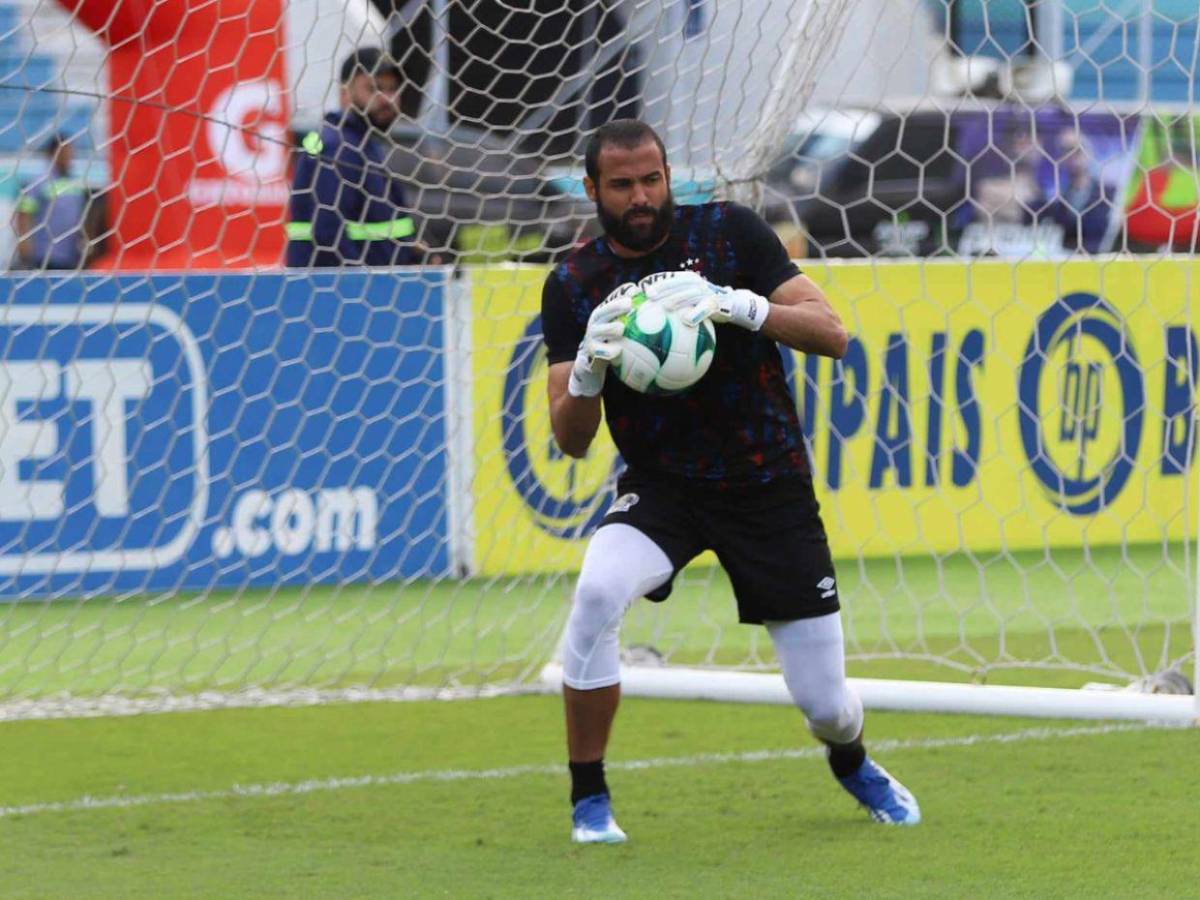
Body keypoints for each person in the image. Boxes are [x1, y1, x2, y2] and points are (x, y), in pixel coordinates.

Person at [541, 119, 921, 844]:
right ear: (592, 189)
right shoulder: (573, 284)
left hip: (766, 482)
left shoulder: (730, 234)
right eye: (622, 185)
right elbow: (571, 438)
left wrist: (741, 306)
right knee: (594, 593)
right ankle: (589, 800)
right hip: (664, 488)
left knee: (826, 705)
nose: (642, 196)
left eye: (652, 179)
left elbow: (832, 334)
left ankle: (852, 760)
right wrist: (587, 372)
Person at [286, 47, 420, 267]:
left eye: (393, 89)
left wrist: (409, 252)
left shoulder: (363, 143)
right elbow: (328, 232)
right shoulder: (338, 146)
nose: (387, 99)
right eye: (374, 88)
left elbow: (373, 224)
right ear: (345, 93)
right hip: (341, 294)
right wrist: (366, 284)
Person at [13, 134, 90, 270]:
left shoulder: (76, 183)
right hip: (44, 253)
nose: (69, 156)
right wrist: (24, 242)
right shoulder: (39, 182)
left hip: (71, 254)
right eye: (64, 151)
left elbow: (82, 215)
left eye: (70, 151)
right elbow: (24, 212)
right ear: (52, 153)